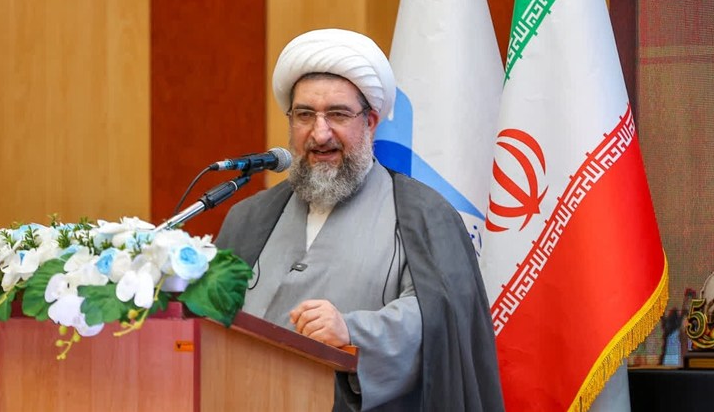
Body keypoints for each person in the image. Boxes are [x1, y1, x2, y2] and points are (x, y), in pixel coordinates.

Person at [216, 28, 504, 411]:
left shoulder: (425, 216)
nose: (320, 134)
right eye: (305, 115)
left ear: (370, 122)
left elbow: (438, 323)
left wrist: (352, 331)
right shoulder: (249, 217)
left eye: (338, 114)